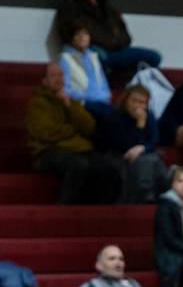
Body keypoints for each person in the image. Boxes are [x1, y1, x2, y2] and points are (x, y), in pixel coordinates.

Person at [26, 63, 121, 205]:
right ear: (44, 81)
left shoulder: (71, 101)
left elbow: (89, 127)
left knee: (110, 166)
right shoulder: (37, 103)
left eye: (61, 75)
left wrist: (69, 106)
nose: (59, 79)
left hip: (79, 149)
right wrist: (72, 130)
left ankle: (99, 209)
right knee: (78, 164)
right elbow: (44, 132)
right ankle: (65, 207)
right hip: (49, 151)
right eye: (53, 75)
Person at [56, 0, 161, 74]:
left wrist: (116, 41)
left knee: (154, 57)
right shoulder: (70, 8)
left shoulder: (108, 9)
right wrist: (109, 40)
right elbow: (72, 34)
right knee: (97, 55)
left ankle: (133, 85)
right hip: (94, 52)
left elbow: (126, 36)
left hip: (117, 50)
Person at [98, 84, 168, 204]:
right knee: (148, 161)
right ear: (126, 100)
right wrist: (140, 125)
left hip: (142, 154)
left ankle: (156, 198)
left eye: (142, 103)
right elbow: (125, 144)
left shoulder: (148, 116)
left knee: (151, 160)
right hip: (118, 153)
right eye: (135, 101)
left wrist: (142, 148)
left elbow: (154, 140)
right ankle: (145, 198)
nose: (138, 106)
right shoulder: (114, 117)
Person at [59, 25, 111, 111]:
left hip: (101, 101)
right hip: (82, 103)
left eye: (85, 34)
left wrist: (106, 96)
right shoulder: (65, 58)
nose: (82, 37)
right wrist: (87, 97)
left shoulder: (93, 56)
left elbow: (103, 82)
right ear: (71, 38)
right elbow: (65, 88)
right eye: (78, 34)